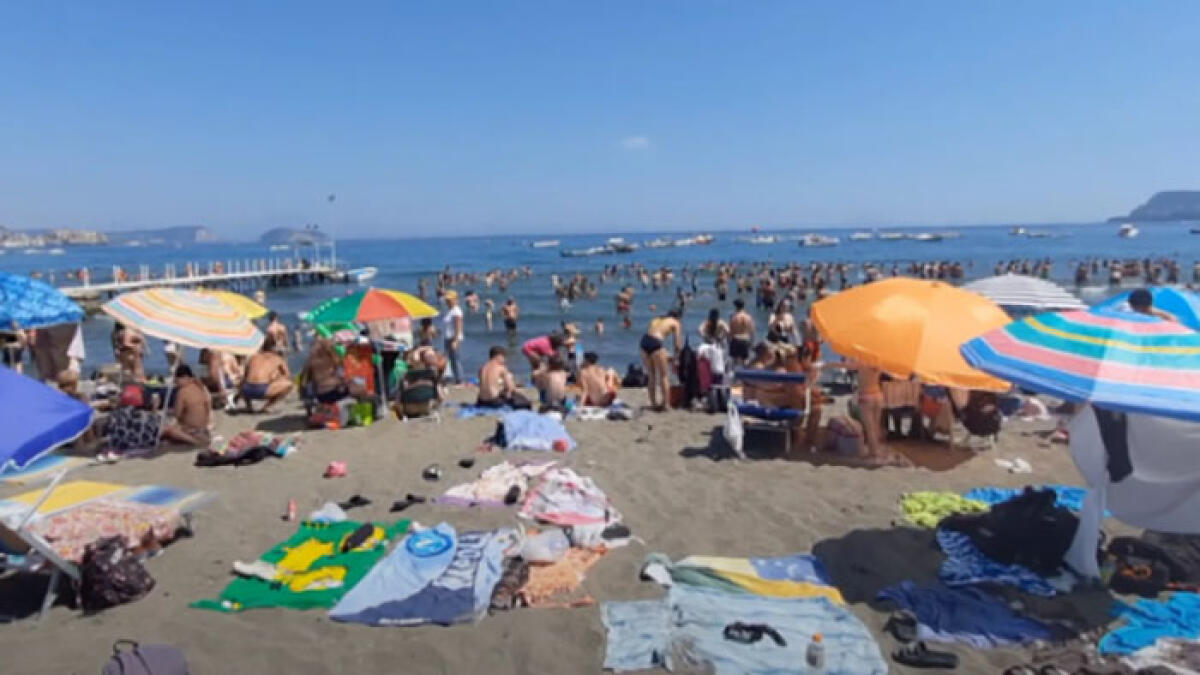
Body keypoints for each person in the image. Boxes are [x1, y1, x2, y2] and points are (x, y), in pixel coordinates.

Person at [640, 308, 683, 411]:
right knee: (664, 375)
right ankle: (666, 404)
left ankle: (653, 403)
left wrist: (666, 355)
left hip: (644, 341)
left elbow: (654, 334)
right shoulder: (676, 323)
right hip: (656, 343)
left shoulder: (659, 319)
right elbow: (677, 344)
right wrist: (677, 357)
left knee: (652, 375)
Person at [162, 365, 212, 446]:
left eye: (177, 379)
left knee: (168, 430)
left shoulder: (182, 392)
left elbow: (177, 414)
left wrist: (169, 412)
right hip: (204, 430)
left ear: (185, 377)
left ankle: (195, 442)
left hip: (192, 431)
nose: (175, 382)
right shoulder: (199, 387)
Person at [241, 335, 293, 413]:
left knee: (243, 382)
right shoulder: (277, 358)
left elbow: (245, 376)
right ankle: (267, 407)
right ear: (274, 348)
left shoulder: (253, 357)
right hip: (262, 390)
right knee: (289, 384)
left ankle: (249, 406)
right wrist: (276, 376)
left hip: (246, 390)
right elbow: (288, 376)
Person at [300, 338, 351, 404]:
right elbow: (343, 370)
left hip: (321, 394)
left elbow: (306, 377)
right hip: (335, 391)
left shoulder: (311, 360)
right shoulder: (333, 358)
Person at [442, 290, 464, 384]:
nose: (448, 301)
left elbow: (458, 326)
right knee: (450, 359)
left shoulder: (456, 311)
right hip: (448, 338)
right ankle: (452, 378)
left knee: (455, 359)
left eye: (450, 300)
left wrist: (456, 340)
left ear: (455, 299)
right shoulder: (450, 310)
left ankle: (459, 379)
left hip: (453, 338)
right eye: (447, 300)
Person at [729, 299, 756, 366]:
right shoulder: (748, 317)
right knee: (745, 359)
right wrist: (753, 343)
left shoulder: (734, 317)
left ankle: (735, 374)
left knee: (734, 360)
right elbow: (752, 331)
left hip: (736, 339)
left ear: (736, 306)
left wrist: (729, 341)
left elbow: (731, 330)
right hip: (745, 339)